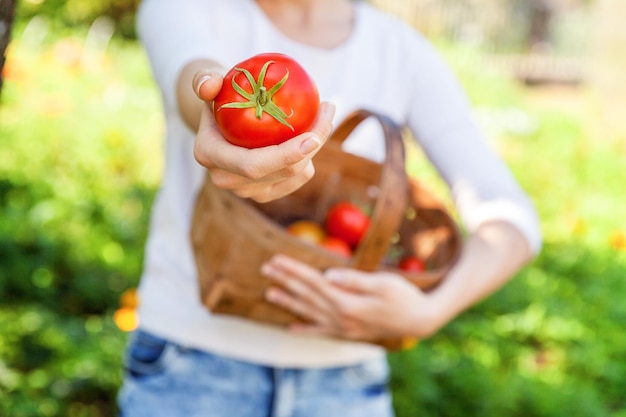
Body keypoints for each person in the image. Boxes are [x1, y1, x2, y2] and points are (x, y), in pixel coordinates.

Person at [118, 0, 542, 416]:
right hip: (187, 368)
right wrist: (216, 107)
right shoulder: (187, 8)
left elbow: (512, 218)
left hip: (347, 386)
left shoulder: (400, 49)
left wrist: (429, 313)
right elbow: (195, 79)